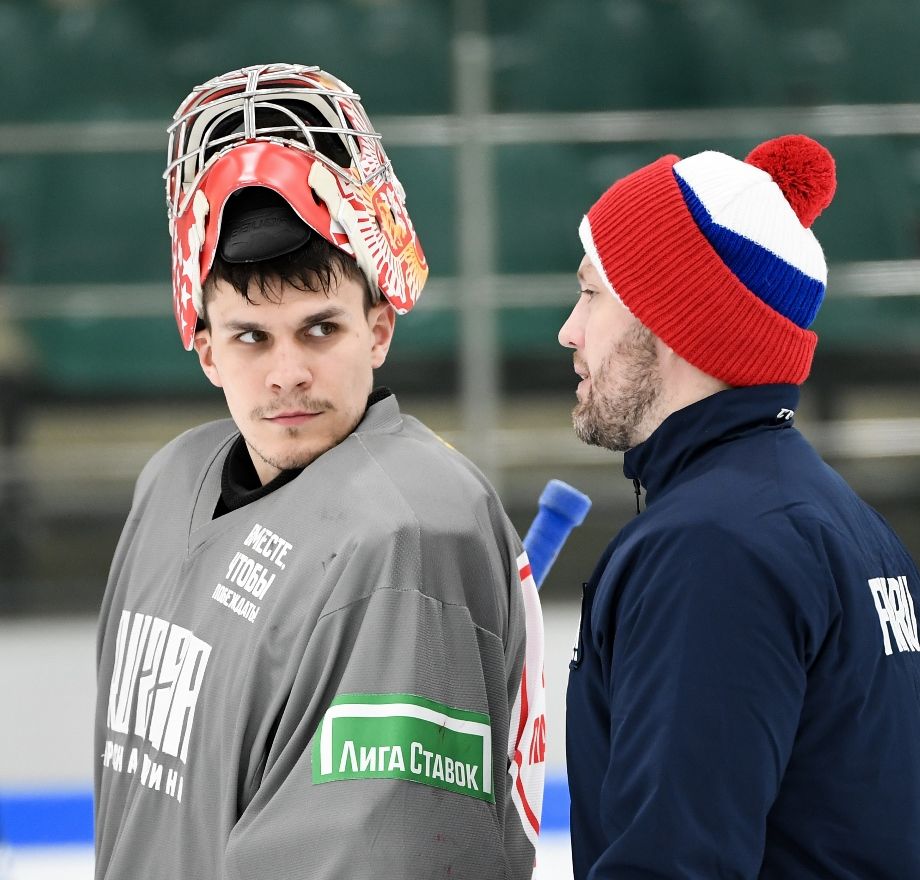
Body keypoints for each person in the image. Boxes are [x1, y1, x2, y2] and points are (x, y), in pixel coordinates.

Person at [94, 63, 545, 880]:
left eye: (320, 329)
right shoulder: (170, 484)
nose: (287, 373)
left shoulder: (407, 533)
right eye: (252, 337)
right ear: (205, 351)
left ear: (379, 329)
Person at [559, 134, 920, 879]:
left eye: (591, 293)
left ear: (673, 322)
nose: (569, 329)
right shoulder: (840, 521)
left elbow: (673, 864)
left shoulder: (711, 549)